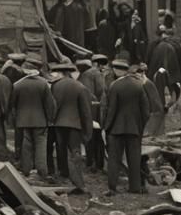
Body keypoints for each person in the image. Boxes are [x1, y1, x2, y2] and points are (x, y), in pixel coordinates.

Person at [103, 58, 150, 194]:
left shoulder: (115, 86)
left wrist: (107, 127)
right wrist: (140, 126)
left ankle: (112, 187)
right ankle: (134, 187)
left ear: (117, 70)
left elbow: (111, 110)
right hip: (134, 129)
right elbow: (146, 111)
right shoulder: (139, 85)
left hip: (116, 129)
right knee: (134, 159)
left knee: (114, 159)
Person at [51, 64, 94, 194]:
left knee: (60, 149)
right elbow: (86, 111)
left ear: (61, 73)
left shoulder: (55, 86)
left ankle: (64, 174)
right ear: (70, 73)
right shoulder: (80, 87)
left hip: (58, 123)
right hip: (74, 124)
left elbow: (52, 106)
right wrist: (88, 130)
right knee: (75, 152)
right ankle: (77, 178)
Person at [10, 62, 56, 179]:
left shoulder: (17, 85)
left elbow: (13, 104)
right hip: (40, 120)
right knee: (41, 146)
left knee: (26, 145)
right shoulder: (43, 84)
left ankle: (26, 170)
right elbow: (49, 104)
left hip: (23, 121)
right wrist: (50, 119)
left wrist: (16, 119)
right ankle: (42, 171)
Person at [78, 54, 108, 171]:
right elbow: (101, 91)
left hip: (90, 109)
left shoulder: (87, 74)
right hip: (98, 110)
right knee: (97, 137)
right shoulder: (99, 74)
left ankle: (92, 162)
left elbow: (87, 93)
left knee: (90, 136)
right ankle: (98, 162)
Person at [146, 26, 181, 108]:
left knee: (159, 91)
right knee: (172, 90)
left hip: (157, 72)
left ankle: (162, 106)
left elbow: (148, 59)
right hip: (172, 73)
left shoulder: (153, 45)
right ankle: (171, 104)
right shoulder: (176, 45)